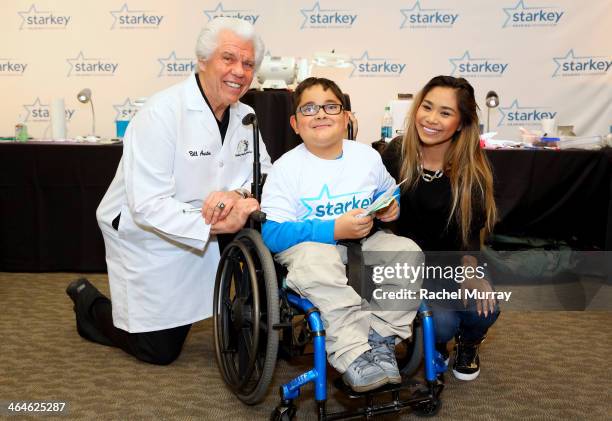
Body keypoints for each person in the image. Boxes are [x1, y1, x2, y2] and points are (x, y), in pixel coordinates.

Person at [66, 17, 272, 365]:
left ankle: (244, 321)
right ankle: (88, 302)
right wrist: (212, 225)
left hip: (211, 223)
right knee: (157, 351)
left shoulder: (246, 116)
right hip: (151, 233)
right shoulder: (160, 114)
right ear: (202, 60)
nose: (239, 71)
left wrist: (236, 195)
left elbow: (264, 172)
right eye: (228, 58)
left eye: (248, 63)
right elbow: (146, 203)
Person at [261, 77, 422, 392]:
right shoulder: (285, 169)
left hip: (364, 240)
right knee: (318, 264)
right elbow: (273, 233)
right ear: (295, 124)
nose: (321, 114)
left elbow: (390, 193)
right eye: (309, 108)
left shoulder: (366, 157)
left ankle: (381, 340)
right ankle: (354, 354)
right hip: (308, 247)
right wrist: (333, 229)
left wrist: (392, 207)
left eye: (330, 106)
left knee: (408, 253)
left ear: (346, 116)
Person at [381, 75, 499, 381]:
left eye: (445, 113)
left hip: (455, 261)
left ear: (460, 123)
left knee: (485, 308)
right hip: (409, 263)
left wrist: (470, 273)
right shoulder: (396, 154)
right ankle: (435, 342)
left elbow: (472, 234)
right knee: (442, 323)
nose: (431, 119)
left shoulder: (472, 169)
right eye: (427, 107)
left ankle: (469, 343)